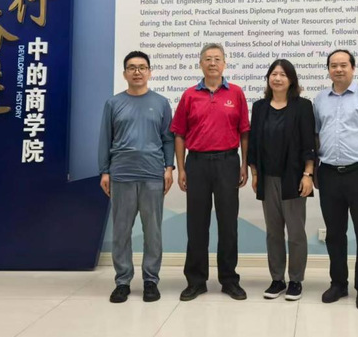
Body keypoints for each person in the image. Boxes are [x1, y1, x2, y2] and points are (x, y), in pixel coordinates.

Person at [172, 43, 250, 301]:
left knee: (228, 225)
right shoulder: (189, 95)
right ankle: (196, 281)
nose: (213, 63)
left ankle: (229, 280)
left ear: (224, 64)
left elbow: (244, 132)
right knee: (197, 225)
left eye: (217, 59)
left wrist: (244, 164)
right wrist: (181, 168)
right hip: (197, 164)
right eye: (208, 59)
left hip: (228, 163)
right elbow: (179, 134)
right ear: (200, 64)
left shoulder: (236, 93)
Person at [98, 51, 174, 304]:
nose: (137, 72)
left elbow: (168, 139)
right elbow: (105, 138)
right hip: (121, 174)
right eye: (132, 67)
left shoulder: (161, 103)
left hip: (153, 174)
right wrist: (105, 171)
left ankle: (151, 280)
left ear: (150, 72)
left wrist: (169, 168)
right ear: (125, 74)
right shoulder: (113, 103)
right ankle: (122, 281)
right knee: (121, 231)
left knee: (153, 232)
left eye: (142, 67)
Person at [313, 49, 358, 310]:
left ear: (353, 68)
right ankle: (338, 283)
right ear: (328, 69)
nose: (339, 69)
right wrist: (316, 169)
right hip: (329, 174)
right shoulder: (320, 99)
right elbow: (316, 136)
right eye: (334, 65)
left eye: (343, 65)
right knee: (334, 234)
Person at [248, 59, 316, 301]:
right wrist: (255, 174)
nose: (277, 78)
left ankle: (296, 280)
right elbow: (254, 143)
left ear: (291, 79)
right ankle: (277, 279)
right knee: (273, 232)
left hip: (294, 178)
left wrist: (308, 174)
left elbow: (309, 143)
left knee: (295, 232)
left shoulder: (303, 106)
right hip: (267, 178)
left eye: (283, 74)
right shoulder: (260, 107)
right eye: (274, 74)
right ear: (268, 78)